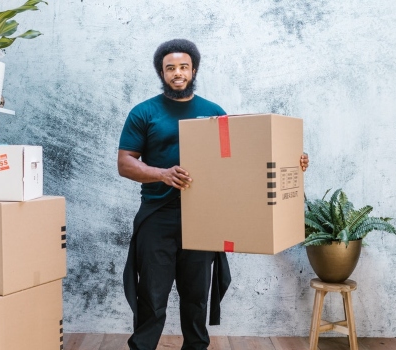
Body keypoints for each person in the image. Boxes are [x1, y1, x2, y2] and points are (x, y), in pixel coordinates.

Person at [117, 38, 309, 350]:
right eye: (170, 68)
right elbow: (125, 163)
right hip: (157, 217)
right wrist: (162, 174)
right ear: (161, 72)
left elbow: (246, 160)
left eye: (183, 67)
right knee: (152, 296)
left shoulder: (214, 113)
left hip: (204, 217)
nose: (177, 73)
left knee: (196, 297)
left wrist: (294, 162)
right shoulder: (144, 112)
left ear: (193, 70)